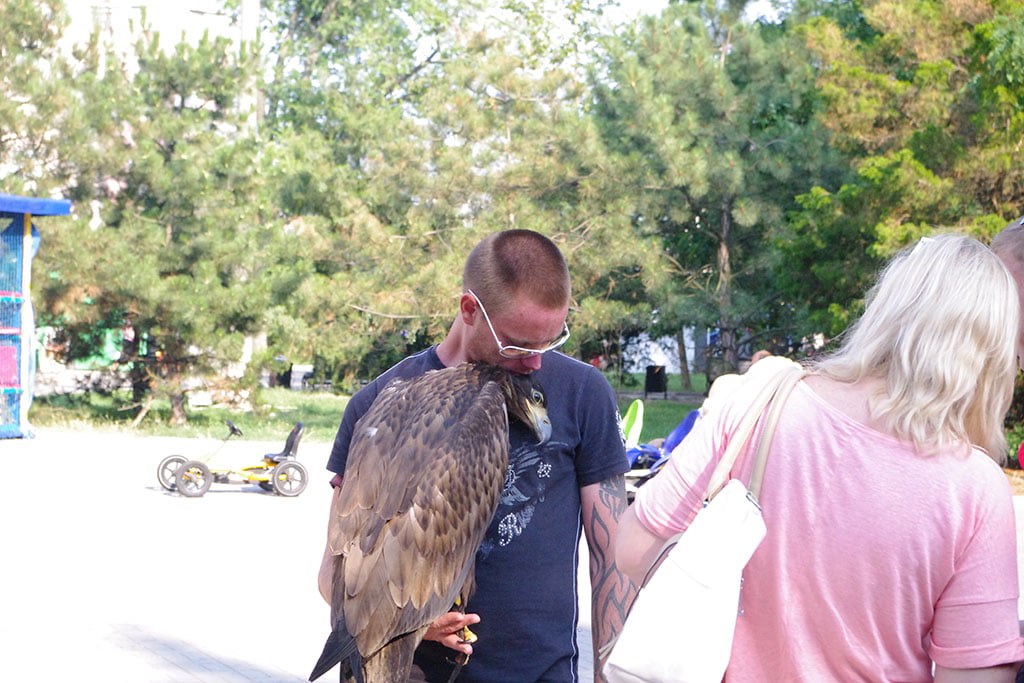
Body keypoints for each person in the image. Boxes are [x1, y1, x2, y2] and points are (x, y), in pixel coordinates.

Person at [616, 234, 1024, 681]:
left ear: (887, 307)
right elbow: (973, 676)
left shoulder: (763, 400)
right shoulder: (974, 488)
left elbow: (634, 551)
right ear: (993, 352)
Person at [319, 229, 635, 681]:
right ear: (470, 308)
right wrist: (412, 625)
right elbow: (331, 577)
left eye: (549, 342)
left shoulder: (584, 392)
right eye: (518, 344)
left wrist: (610, 676)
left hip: (537, 673)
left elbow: (613, 559)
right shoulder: (378, 402)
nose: (535, 362)